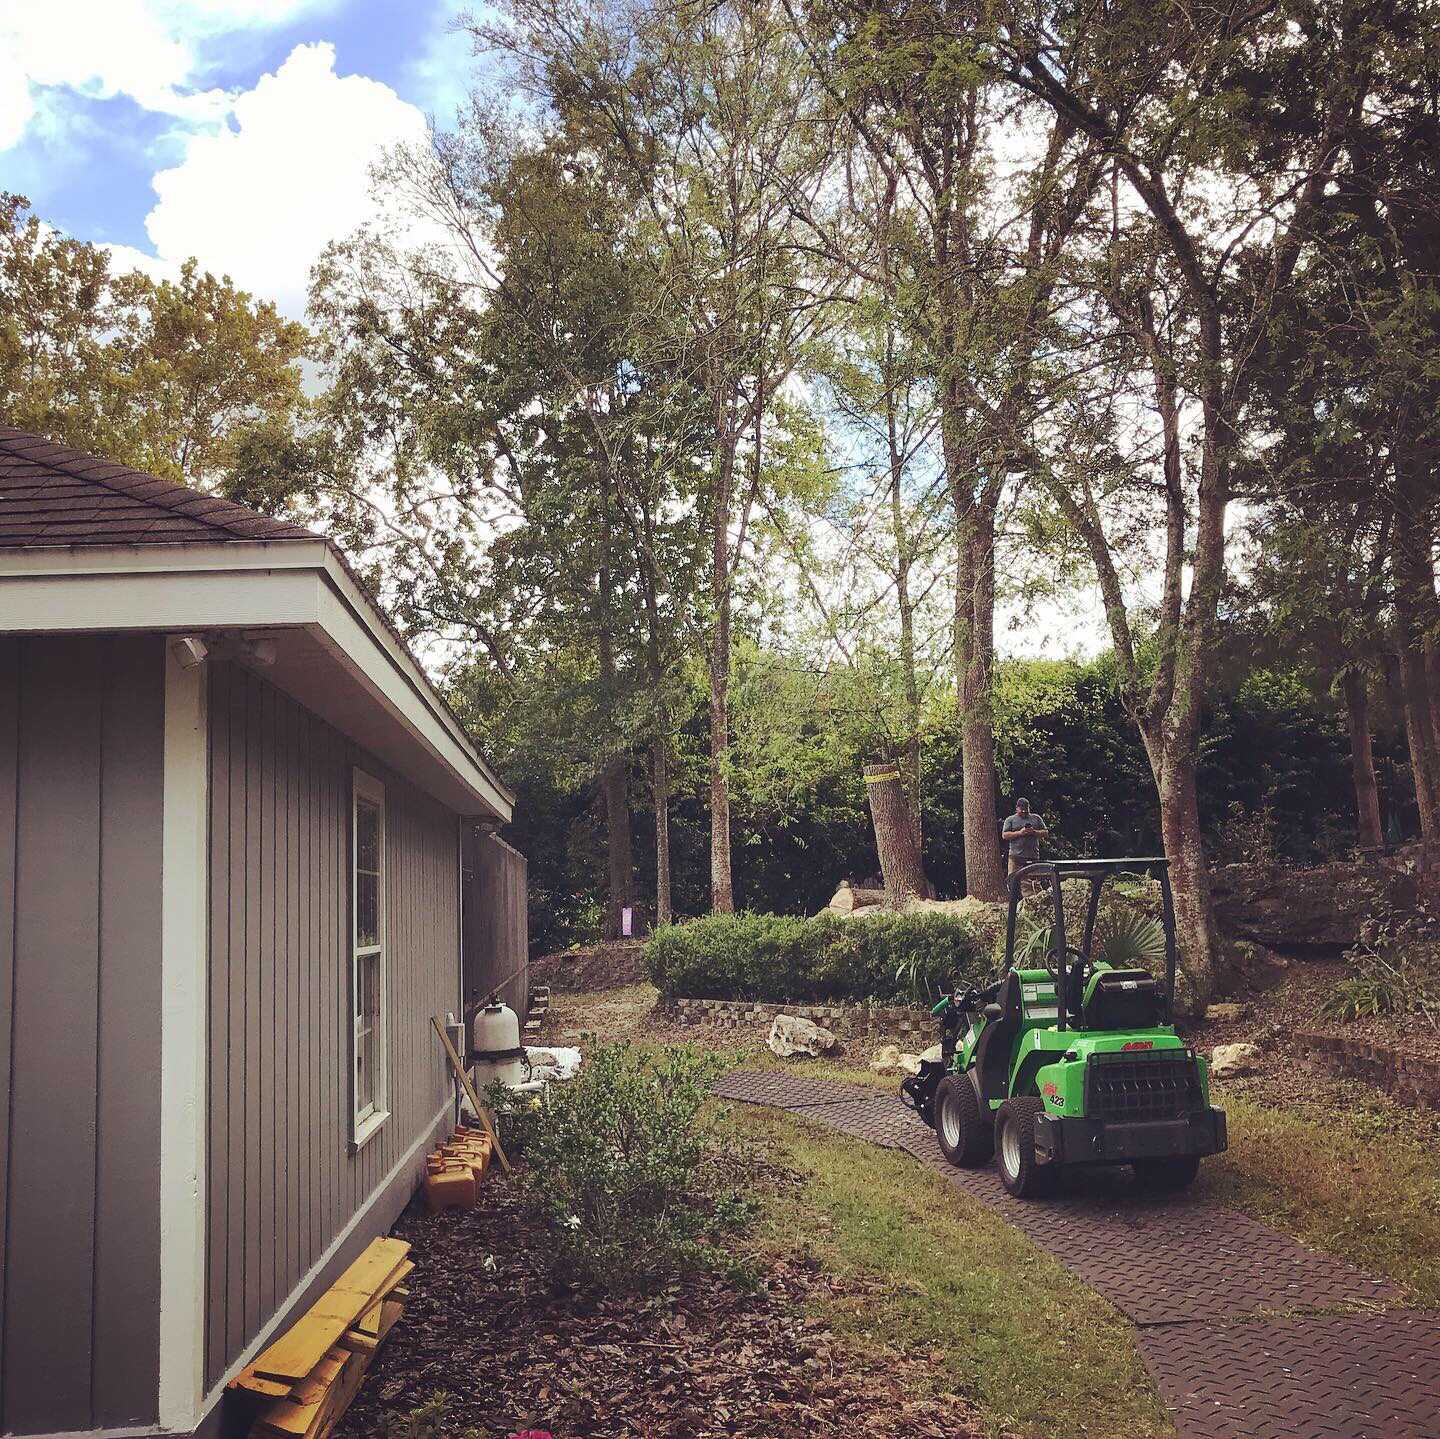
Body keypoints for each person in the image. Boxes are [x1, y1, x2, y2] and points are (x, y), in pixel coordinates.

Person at [1001, 797, 1048, 878]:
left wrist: (1034, 832)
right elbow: (1005, 835)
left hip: (1032, 856)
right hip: (1015, 857)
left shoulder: (1036, 818)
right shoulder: (1010, 819)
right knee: (1013, 879)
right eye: (1021, 809)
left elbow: (1046, 833)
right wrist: (1020, 833)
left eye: (1026, 809)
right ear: (1017, 808)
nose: (1024, 811)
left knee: (1034, 880)